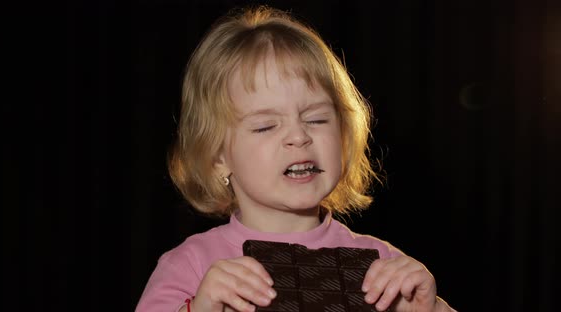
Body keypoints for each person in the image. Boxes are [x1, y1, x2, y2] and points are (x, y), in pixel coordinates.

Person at [136, 4, 456, 312]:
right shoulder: (192, 266)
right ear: (217, 157)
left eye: (316, 119)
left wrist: (430, 309)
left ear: (345, 136)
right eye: (265, 126)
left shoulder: (381, 266)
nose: (299, 136)